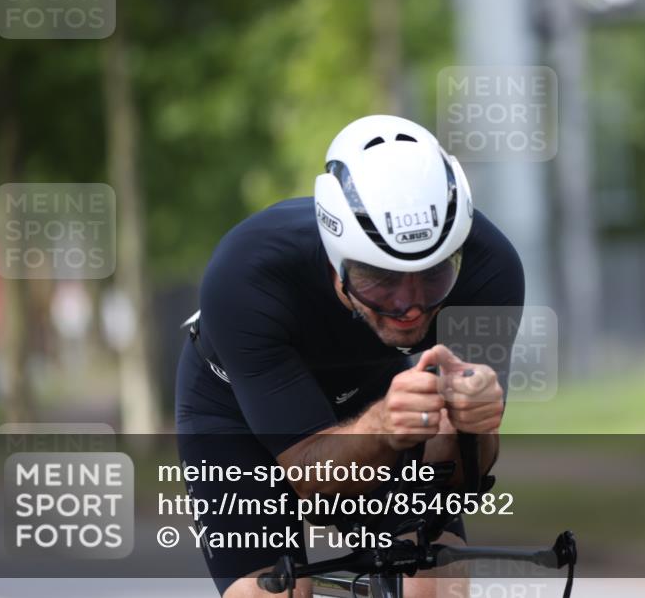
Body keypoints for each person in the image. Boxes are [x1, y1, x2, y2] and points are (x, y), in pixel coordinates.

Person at [175, 115, 525, 598]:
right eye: (380, 279)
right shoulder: (246, 276)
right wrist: (384, 427)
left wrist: (473, 426)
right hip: (234, 411)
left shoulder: (490, 271)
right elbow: (312, 480)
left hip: (374, 396)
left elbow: (457, 480)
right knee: (275, 592)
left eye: (432, 274)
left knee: (432, 583)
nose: (411, 304)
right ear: (336, 258)